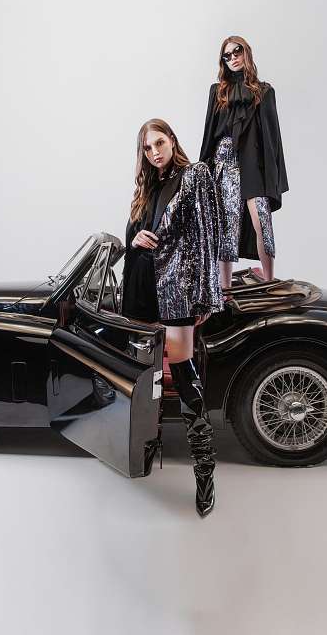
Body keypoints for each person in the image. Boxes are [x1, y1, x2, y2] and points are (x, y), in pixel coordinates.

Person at [121, 118, 222, 517]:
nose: (154, 152)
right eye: (147, 148)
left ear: (172, 140)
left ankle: (205, 474)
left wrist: (206, 296)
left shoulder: (194, 176)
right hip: (141, 288)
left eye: (159, 143)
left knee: (183, 375)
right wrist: (134, 239)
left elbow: (208, 237)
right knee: (144, 376)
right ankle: (143, 451)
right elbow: (134, 234)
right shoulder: (147, 187)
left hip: (176, 290)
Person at [199, 35, 288, 289]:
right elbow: (209, 134)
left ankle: (269, 283)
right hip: (223, 163)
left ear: (246, 52)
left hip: (253, 165)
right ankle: (225, 290)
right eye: (227, 55)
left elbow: (273, 139)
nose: (233, 58)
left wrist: (274, 178)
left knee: (262, 222)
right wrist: (202, 172)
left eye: (237, 51)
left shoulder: (264, 91)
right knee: (226, 227)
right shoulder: (217, 91)